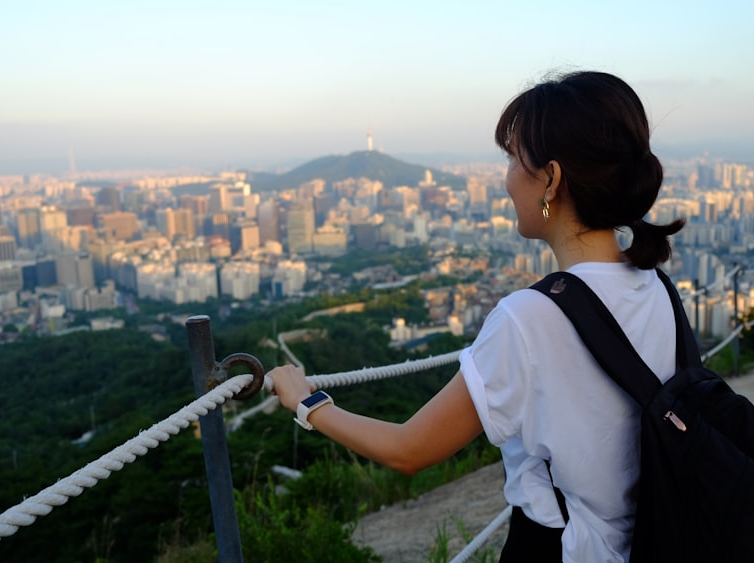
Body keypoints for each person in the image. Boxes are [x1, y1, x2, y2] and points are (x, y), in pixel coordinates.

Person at [268, 70, 685, 562]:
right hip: (657, 541)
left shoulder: (530, 318)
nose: (506, 179)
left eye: (513, 159)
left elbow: (410, 450)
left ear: (550, 181)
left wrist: (306, 402)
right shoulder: (658, 286)